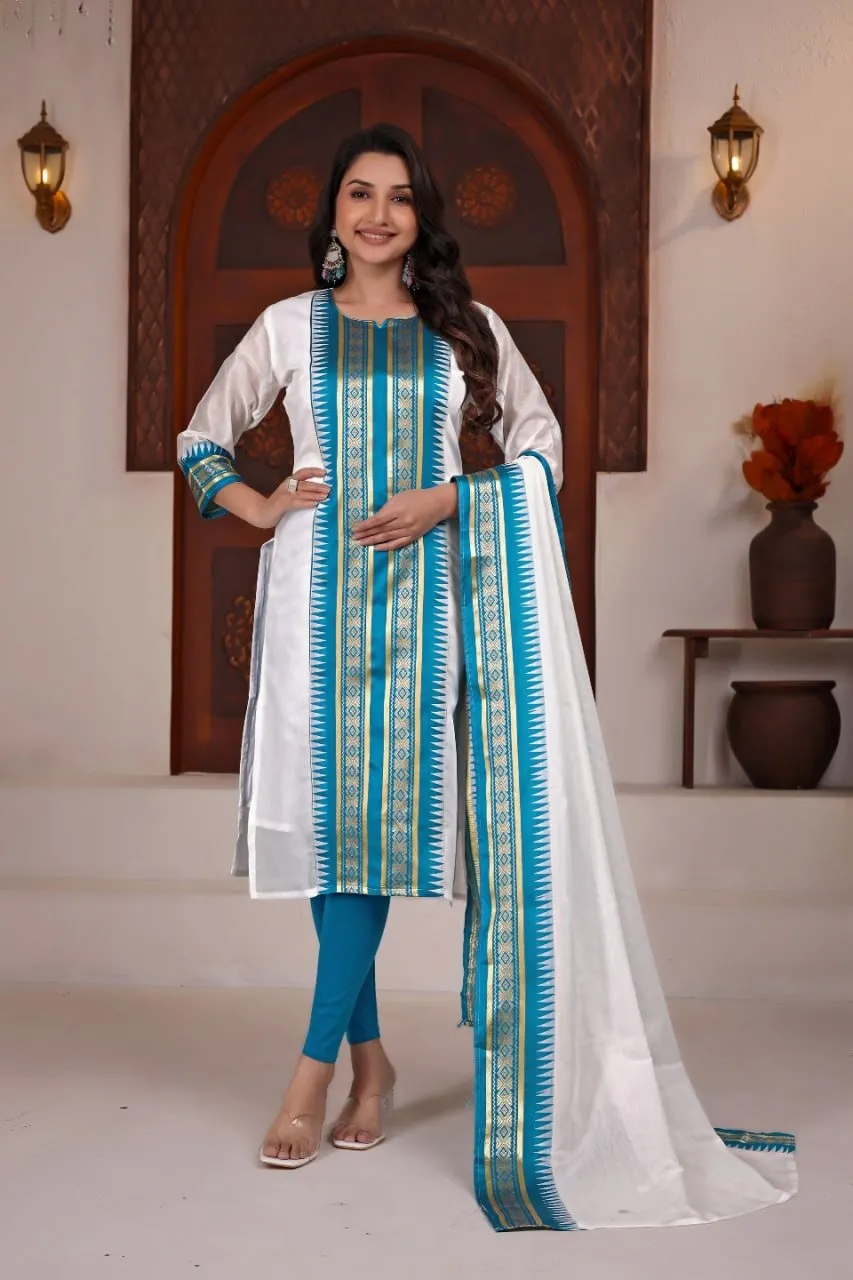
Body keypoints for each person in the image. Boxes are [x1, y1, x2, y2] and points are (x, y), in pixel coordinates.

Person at [178, 124, 797, 1232]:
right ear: (332, 214)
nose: (377, 214)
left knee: (374, 835)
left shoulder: (463, 331)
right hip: (310, 609)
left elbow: (542, 448)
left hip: (425, 616)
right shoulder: (286, 326)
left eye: (398, 197)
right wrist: (262, 505)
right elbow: (199, 441)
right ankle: (369, 1066)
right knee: (333, 836)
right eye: (358, 193)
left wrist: (450, 497)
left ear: (421, 217)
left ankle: (310, 1076)